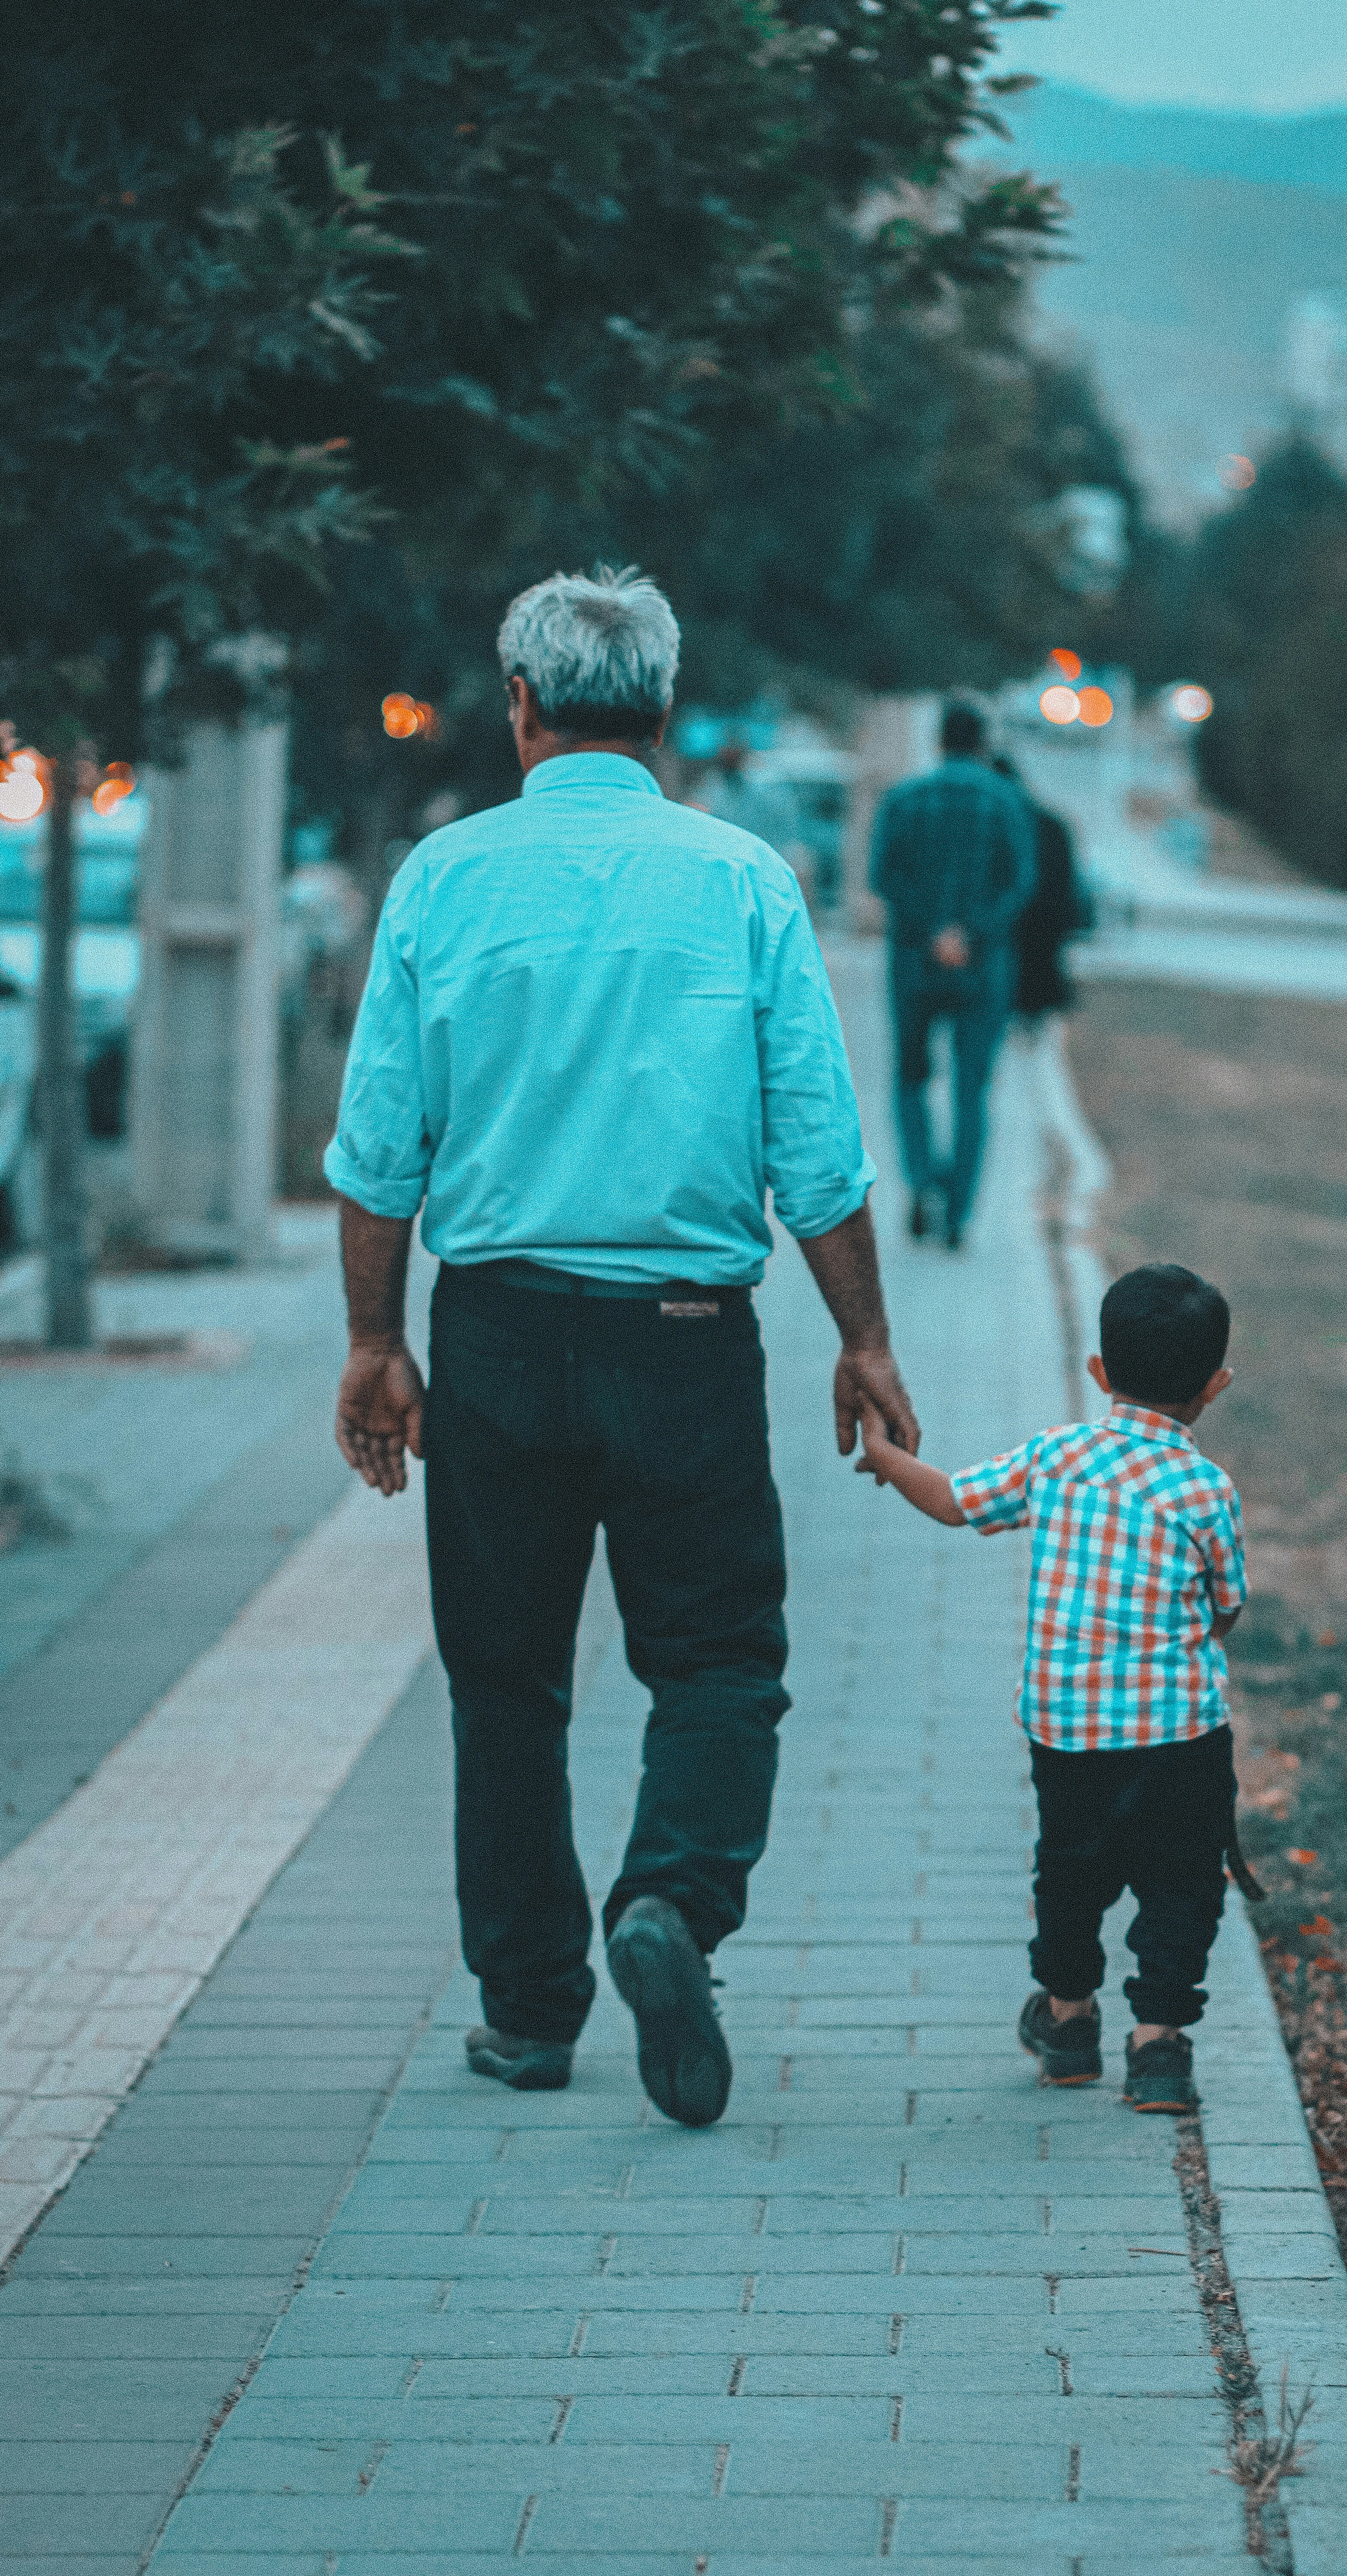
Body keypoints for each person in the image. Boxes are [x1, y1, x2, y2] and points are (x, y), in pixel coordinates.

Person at [325, 566, 919, 2131]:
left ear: (516, 703)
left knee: (504, 1680)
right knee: (720, 1659)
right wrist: (861, 1336)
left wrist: (374, 1340)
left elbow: (380, 1147)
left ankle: (528, 2015)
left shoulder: (442, 881)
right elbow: (818, 1139)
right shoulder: (741, 881)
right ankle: (671, 1900)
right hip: (684, 1342)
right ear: (664, 710)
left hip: (502, 1335)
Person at [856, 1262, 1256, 2114]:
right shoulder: (1205, 1489)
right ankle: (1158, 2048)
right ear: (1212, 1388)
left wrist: (886, 1457)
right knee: (1181, 1885)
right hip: (1180, 1737)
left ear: (1099, 1374)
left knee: (1069, 1875)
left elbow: (957, 1502)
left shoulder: (1056, 1456)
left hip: (1068, 1735)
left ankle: (1068, 2025)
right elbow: (1224, 1608)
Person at [869, 702, 1035, 1252]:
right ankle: (958, 1210)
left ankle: (921, 1181)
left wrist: (934, 930)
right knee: (971, 1090)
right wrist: (969, 933)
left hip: (915, 964)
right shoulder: (1006, 802)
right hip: (983, 969)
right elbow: (1019, 883)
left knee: (911, 1079)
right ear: (982, 742)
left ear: (939, 740)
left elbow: (883, 876)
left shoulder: (906, 799)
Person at [992, 753, 1090, 1026]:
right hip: (1043, 943)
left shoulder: (994, 827)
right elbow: (1068, 891)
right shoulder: (1052, 826)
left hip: (1008, 943)